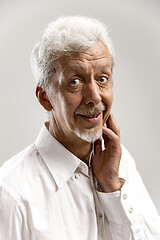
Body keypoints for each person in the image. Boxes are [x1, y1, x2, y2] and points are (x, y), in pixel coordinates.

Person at [0, 16, 160, 240]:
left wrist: (112, 188)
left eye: (102, 78)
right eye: (75, 81)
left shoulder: (123, 165)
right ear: (46, 98)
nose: (95, 97)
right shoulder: (11, 191)